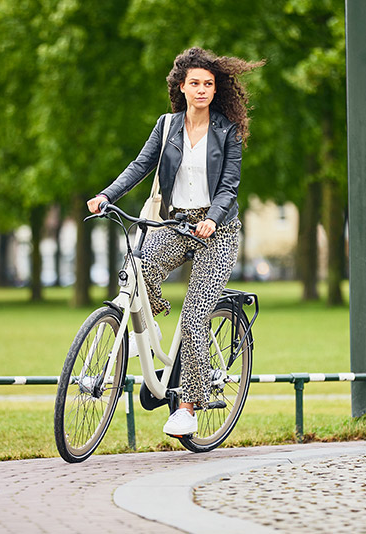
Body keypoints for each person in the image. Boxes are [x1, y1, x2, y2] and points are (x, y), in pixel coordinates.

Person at [87, 47, 263, 437]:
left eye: (209, 84)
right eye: (195, 83)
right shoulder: (167, 126)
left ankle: (187, 407)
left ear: (216, 91)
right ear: (181, 87)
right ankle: (161, 344)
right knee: (137, 268)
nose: (202, 90)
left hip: (217, 231)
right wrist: (106, 196)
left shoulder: (227, 131)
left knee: (197, 315)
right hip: (176, 223)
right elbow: (139, 165)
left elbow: (229, 186)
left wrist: (213, 221)